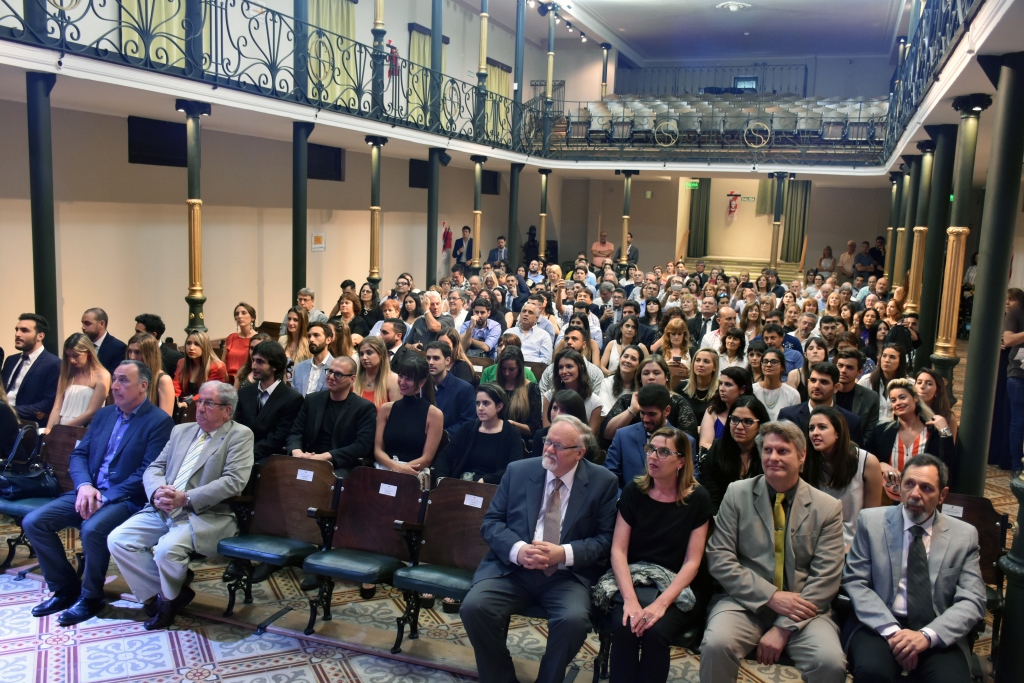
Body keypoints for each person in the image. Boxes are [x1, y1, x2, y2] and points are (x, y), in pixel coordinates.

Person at [461, 415, 618, 683]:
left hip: (566, 576)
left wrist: (563, 553)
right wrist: (518, 550)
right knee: (474, 608)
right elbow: (491, 523)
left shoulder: (603, 481)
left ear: (579, 452)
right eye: (548, 442)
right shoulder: (518, 471)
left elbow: (605, 540)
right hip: (513, 570)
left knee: (573, 621)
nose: (549, 450)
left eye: (559, 446)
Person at [23, 360, 174, 626]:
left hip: (126, 498)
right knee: (34, 522)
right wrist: (84, 486)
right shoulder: (105, 415)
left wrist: (105, 497)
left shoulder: (158, 422)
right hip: (89, 490)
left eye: (123, 380)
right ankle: (65, 589)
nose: (115, 386)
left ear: (143, 386)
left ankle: (91, 597)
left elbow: (147, 472)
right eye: (114, 379)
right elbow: (79, 454)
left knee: (92, 529)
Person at [701, 420, 847, 683]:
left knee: (830, 662)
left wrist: (783, 628)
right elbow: (720, 558)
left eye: (783, 451)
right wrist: (771, 596)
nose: (773, 457)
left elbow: (826, 578)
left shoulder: (827, 507)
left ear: (802, 456)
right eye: (767, 450)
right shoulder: (737, 493)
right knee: (716, 644)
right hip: (744, 602)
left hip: (804, 609)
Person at [107, 381, 253, 630]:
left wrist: (186, 498)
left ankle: (166, 604)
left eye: (209, 403)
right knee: (118, 539)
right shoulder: (181, 431)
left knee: (166, 550)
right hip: (163, 507)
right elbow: (155, 467)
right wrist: (156, 491)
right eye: (199, 401)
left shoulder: (239, 435)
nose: (200, 408)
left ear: (227, 411)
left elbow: (234, 481)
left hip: (205, 513)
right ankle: (169, 594)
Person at [841, 455, 986, 683]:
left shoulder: (963, 535)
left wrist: (926, 636)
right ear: (900, 486)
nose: (915, 494)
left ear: (942, 495)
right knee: (872, 672)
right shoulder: (871, 522)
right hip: (880, 623)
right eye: (909, 484)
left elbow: (973, 599)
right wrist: (893, 632)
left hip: (936, 627)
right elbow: (855, 581)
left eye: (926, 488)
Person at [606, 427, 710, 683]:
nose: (653, 456)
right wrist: (630, 600)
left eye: (663, 452)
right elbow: (618, 550)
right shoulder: (634, 491)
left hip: (678, 585)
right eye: (651, 449)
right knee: (625, 626)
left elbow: (692, 562)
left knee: (655, 632)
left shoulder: (698, 498)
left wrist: (660, 604)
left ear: (681, 461)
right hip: (635, 578)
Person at [864, 378, 955, 501]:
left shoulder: (933, 431)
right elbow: (864, 458)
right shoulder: (881, 430)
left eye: (902, 397)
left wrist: (945, 430)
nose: (898, 403)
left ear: (915, 398)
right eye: (893, 400)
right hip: (885, 497)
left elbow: (947, 465)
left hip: (922, 498)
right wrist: (880, 465)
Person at [804, 406, 882, 549]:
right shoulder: (808, 462)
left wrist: (850, 549)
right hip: (817, 542)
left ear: (837, 433)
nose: (815, 433)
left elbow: (872, 519)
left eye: (822, 427)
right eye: (811, 428)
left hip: (856, 542)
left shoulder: (867, 462)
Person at [286, 356, 377, 477]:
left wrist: (325, 456)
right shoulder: (312, 400)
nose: (331, 377)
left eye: (338, 374)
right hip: (306, 459)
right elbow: (295, 432)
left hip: (339, 465)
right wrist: (296, 452)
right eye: (330, 371)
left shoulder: (364, 408)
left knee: (319, 481)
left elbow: (362, 445)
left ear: (352, 379)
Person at [433, 383, 524, 485]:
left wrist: (487, 480)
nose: (480, 408)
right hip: (463, 483)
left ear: (499, 406)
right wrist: (441, 478)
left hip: (492, 486)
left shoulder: (511, 433)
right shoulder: (468, 428)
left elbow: (514, 468)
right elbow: (445, 456)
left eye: (486, 403)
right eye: (477, 403)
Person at [605, 384, 694, 489]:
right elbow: (609, 478)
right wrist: (624, 497)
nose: (646, 419)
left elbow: (689, 482)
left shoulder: (686, 441)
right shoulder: (622, 436)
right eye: (642, 413)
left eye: (652, 414)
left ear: (667, 411)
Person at [233, 341, 304, 464]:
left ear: (274, 366)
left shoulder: (292, 399)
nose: (253, 366)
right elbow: (238, 427)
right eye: (253, 360)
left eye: (260, 362)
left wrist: (247, 455)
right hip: (239, 454)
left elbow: (278, 437)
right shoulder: (245, 392)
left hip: (269, 460)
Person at [374, 355, 444, 476]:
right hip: (386, 468)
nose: (402, 382)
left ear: (421, 382)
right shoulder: (386, 409)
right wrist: (396, 468)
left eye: (408, 378)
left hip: (414, 472)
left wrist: (402, 470)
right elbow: (378, 450)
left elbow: (427, 459)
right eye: (401, 376)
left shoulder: (434, 414)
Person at [698, 395, 768, 512]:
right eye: (734, 420)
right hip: (722, 514)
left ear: (760, 425)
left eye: (748, 421)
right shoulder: (717, 449)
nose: (739, 427)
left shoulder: (768, 453)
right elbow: (711, 493)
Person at [779, 362, 863, 443]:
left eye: (824, 382)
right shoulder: (788, 415)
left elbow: (854, 452)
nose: (816, 386)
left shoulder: (851, 421)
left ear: (836, 388)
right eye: (813, 380)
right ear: (808, 383)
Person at [44, 333, 111, 431]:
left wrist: (62, 430)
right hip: (62, 428)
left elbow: (92, 412)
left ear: (88, 353)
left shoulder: (102, 375)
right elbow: (57, 408)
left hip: (85, 429)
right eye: (68, 356)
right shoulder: (66, 374)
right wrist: (49, 429)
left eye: (76, 356)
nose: (72, 360)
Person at [2, 313, 61, 424]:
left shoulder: (53, 364)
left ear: (40, 336)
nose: (17, 334)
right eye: (17, 330)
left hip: (27, 422)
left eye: (24, 330)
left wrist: (10, 411)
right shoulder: (11, 360)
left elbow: (49, 402)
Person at [544, 349, 603, 435]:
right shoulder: (549, 396)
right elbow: (546, 431)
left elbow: (590, 437)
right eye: (560, 367)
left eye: (569, 366)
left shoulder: (595, 402)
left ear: (581, 368)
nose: (564, 371)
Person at [492, 346, 543, 446]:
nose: (506, 373)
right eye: (503, 369)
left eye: (511, 369)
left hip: (519, 442)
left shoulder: (532, 389)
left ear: (520, 368)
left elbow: (534, 429)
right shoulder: (494, 386)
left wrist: (512, 424)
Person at [698, 366, 753, 451]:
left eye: (728, 384)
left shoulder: (753, 411)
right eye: (720, 383)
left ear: (742, 389)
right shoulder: (713, 410)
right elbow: (704, 444)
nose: (721, 389)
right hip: (716, 458)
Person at [424, 341, 475, 431]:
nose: (430, 362)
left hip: (449, 437)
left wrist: (441, 434)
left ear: (447, 360)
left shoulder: (464, 389)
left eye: (436, 358)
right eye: (428, 358)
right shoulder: (421, 385)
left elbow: (467, 422)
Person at [124, 333, 175, 416]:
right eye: (130, 351)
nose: (132, 357)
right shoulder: (128, 376)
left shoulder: (163, 380)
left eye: (137, 352)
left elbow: (164, 419)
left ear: (150, 355)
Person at [835, 348, 881, 436]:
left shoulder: (871, 398)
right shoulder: (825, 391)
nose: (843, 370)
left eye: (849, 367)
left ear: (859, 372)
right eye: (840, 366)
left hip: (857, 443)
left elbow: (870, 434)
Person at [173, 331, 228, 403]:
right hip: (182, 404)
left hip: (206, 406)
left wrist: (188, 402)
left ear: (205, 346)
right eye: (188, 343)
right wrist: (173, 399)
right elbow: (176, 386)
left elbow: (210, 392)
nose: (191, 348)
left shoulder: (217, 366)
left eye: (197, 344)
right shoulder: (182, 363)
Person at [1004, 287, 1024, 477]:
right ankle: (1017, 464)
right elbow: (1008, 339)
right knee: (1019, 420)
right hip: (1019, 373)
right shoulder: (1016, 312)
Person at [858, 343, 906, 422]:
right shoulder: (866, 380)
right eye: (884, 356)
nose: (887, 360)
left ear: (900, 362)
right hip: (872, 427)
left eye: (892, 357)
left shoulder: (908, 384)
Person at [752, 347, 801, 421]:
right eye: (765, 361)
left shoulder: (792, 394)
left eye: (774, 362)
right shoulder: (752, 390)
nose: (768, 365)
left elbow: (795, 423)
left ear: (782, 367)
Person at [291, 322, 334, 398]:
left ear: (328, 340)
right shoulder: (300, 368)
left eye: (316, 335)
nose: (311, 339)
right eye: (309, 336)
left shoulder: (336, 367)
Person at [354, 336, 399, 408]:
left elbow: (396, 412)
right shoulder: (354, 378)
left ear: (381, 354)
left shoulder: (393, 380)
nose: (364, 357)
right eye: (361, 354)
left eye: (369, 353)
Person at [914, 368, 958, 443]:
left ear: (938, 390)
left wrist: (943, 428)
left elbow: (949, 446)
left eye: (929, 384)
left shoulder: (948, 418)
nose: (922, 386)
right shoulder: (907, 412)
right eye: (919, 382)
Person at [80, 308, 128, 375]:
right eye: (83, 323)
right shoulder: (81, 346)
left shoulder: (118, 348)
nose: (83, 327)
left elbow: (115, 376)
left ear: (101, 324)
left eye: (87, 323)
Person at [600, 344, 643, 415]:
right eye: (625, 356)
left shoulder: (642, 387)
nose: (628, 361)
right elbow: (604, 411)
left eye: (633, 359)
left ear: (639, 365)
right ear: (620, 359)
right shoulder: (607, 382)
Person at [677, 348, 719, 419]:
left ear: (714, 367)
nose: (700, 364)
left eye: (706, 361)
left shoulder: (721, 389)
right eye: (698, 360)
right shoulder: (682, 387)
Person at [223, 303, 258, 378]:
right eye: (237, 314)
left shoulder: (258, 340)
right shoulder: (231, 338)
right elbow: (223, 363)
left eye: (243, 313)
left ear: (252, 318)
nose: (239, 316)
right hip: (228, 379)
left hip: (247, 379)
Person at [787, 337, 828, 401]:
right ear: (805, 355)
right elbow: (791, 402)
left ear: (826, 353)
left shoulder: (833, 373)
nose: (815, 351)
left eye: (819, 348)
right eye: (811, 349)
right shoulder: (794, 375)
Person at [279, 306, 312, 377]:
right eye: (289, 319)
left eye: (295, 320)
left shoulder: (309, 344)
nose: (291, 323)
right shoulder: (282, 340)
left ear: (303, 322)